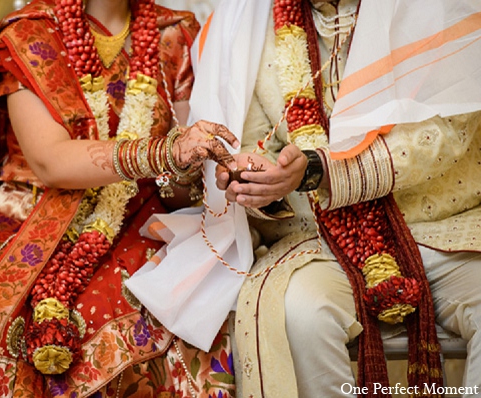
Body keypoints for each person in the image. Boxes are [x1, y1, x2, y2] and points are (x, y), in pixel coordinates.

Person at [0, 0, 239, 397]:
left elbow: (183, 172)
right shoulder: (30, 33)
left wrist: (194, 168)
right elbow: (51, 161)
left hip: (141, 215)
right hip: (24, 213)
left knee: (175, 309)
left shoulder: (176, 33)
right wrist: (164, 153)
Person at [182, 0, 481, 397]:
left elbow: (449, 130)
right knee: (301, 315)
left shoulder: (434, 6)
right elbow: (261, 146)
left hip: (441, 225)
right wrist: (260, 181)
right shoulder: (247, 23)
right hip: (322, 239)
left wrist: (321, 169)